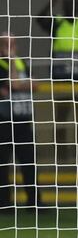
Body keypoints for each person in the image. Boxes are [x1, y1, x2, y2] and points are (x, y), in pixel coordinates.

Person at [0, 33, 38, 210]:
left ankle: (34, 202)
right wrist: (12, 60)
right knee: (3, 164)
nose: (11, 46)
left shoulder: (21, 61)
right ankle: (4, 203)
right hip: (4, 121)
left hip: (23, 120)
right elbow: (15, 83)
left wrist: (19, 84)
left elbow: (34, 85)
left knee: (29, 162)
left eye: (13, 43)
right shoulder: (4, 63)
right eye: (7, 43)